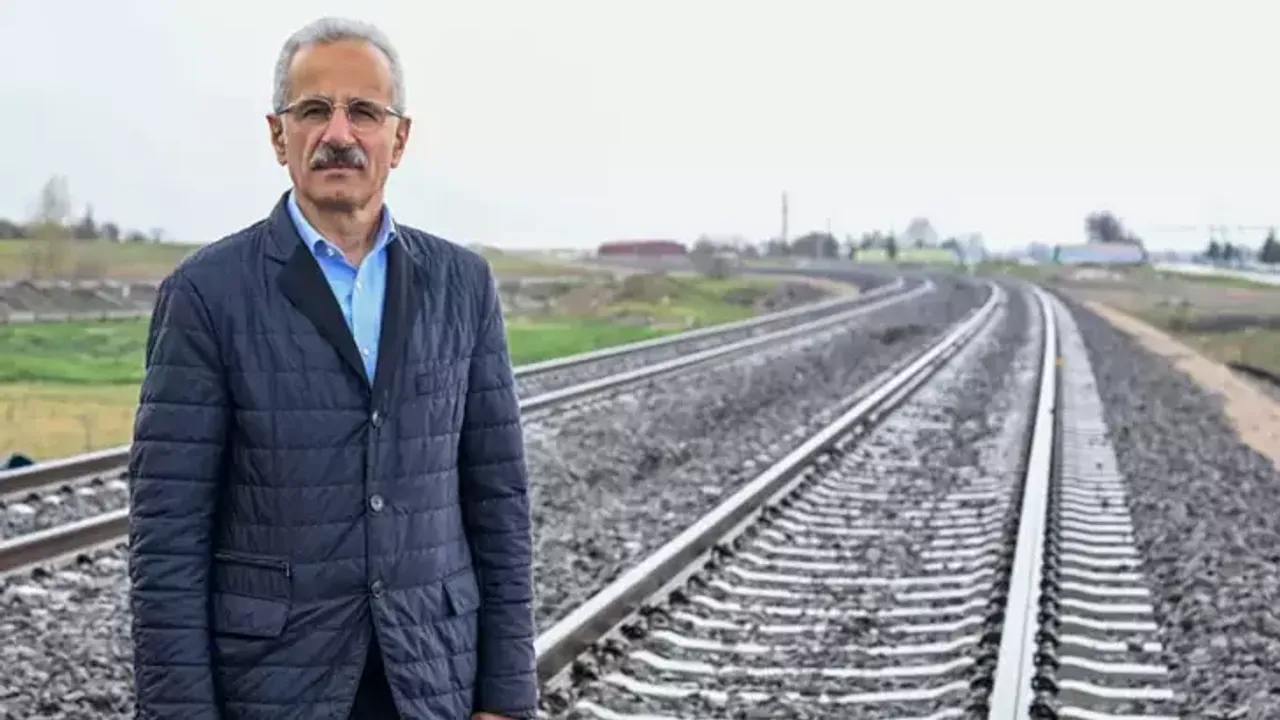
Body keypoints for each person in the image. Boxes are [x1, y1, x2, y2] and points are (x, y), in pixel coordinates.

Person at [127, 17, 536, 720]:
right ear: (278, 135)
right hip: (272, 686)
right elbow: (168, 538)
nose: (338, 133)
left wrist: (506, 697)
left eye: (364, 112)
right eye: (314, 109)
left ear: (398, 139)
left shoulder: (463, 286)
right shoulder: (206, 294)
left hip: (431, 675)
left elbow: (499, 504)